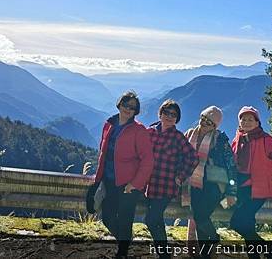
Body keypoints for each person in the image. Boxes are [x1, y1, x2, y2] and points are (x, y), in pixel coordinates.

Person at [94, 91, 154, 258]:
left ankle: (122, 252)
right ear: (119, 104)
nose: (128, 109)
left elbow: (148, 161)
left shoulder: (139, 130)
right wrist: (98, 178)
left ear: (136, 111)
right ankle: (124, 242)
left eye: (132, 107)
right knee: (107, 216)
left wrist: (135, 184)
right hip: (109, 180)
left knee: (125, 219)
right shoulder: (109, 124)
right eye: (126, 105)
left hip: (128, 184)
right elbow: (103, 152)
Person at [230, 106, 272, 259]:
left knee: (237, 223)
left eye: (251, 119)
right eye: (243, 119)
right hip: (242, 188)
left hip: (258, 189)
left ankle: (269, 247)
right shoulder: (238, 139)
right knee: (248, 224)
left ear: (257, 122)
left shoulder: (265, 139)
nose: (246, 122)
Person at [145, 100, 200, 259]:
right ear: (160, 114)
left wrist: (180, 177)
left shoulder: (178, 137)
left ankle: (164, 254)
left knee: (151, 218)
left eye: (173, 114)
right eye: (166, 113)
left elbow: (193, 158)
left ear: (177, 118)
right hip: (148, 185)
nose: (169, 116)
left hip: (166, 186)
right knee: (154, 219)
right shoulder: (150, 132)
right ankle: (163, 252)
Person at [182, 106, 238, 259]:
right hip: (193, 184)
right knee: (200, 219)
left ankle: (214, 238)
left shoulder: (220, 139)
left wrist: (231, 191)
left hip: (214, 186)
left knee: (200, 216)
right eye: (203, 118)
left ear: (215, 126)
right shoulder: (189, 134)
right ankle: (205, 255)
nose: (204, 122)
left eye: (209, 122)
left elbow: (231, 166)